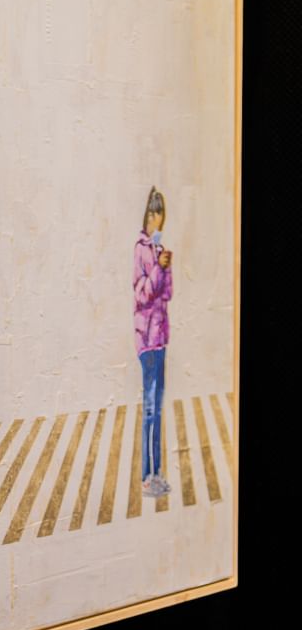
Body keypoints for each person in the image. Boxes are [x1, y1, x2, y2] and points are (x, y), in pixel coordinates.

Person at [135, 186, 174, 499]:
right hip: (146, 340)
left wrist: (166, 268)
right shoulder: (140, 249)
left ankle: (157, 473)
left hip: (161, 338)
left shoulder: (160, 251)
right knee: (149, 409)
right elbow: (142, 294)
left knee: (157, 409)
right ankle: (146, 477)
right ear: (148, 216)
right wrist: (157, 270)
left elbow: (167, 294)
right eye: (155, 218)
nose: (157, 224)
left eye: (161, 219)